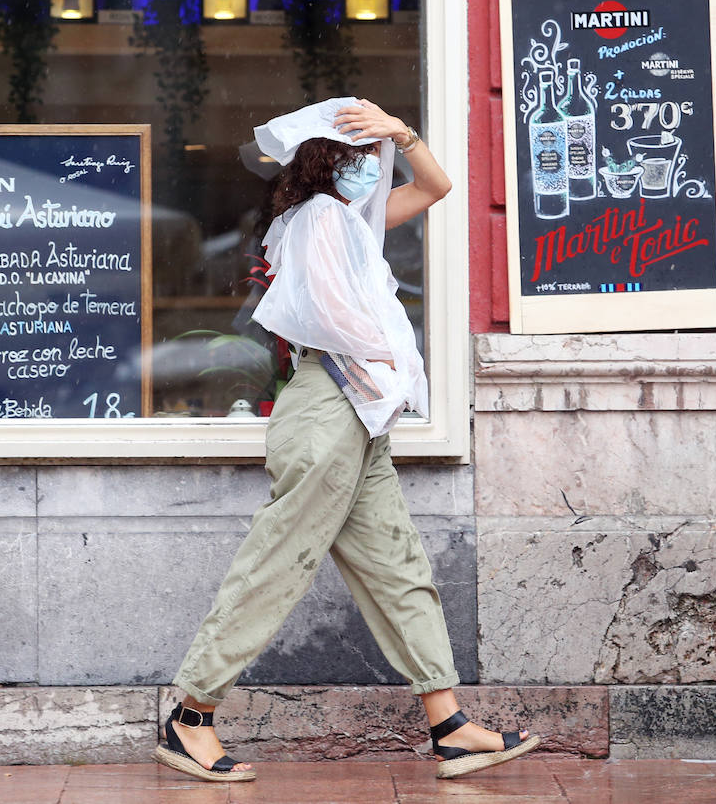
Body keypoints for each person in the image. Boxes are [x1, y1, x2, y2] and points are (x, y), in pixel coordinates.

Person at [154, 98, 540, 782]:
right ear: (322, 162)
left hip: (356, 410)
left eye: (373, 157)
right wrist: (386, 366)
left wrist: (403, 132)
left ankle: (448, 725)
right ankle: (190, 718)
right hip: (332, 404)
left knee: (398, 568)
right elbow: (326, 313)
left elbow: (436, 187)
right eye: (356, 157)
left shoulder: (347, 219)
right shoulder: (320, 218)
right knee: (279, 563)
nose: (370, 167)